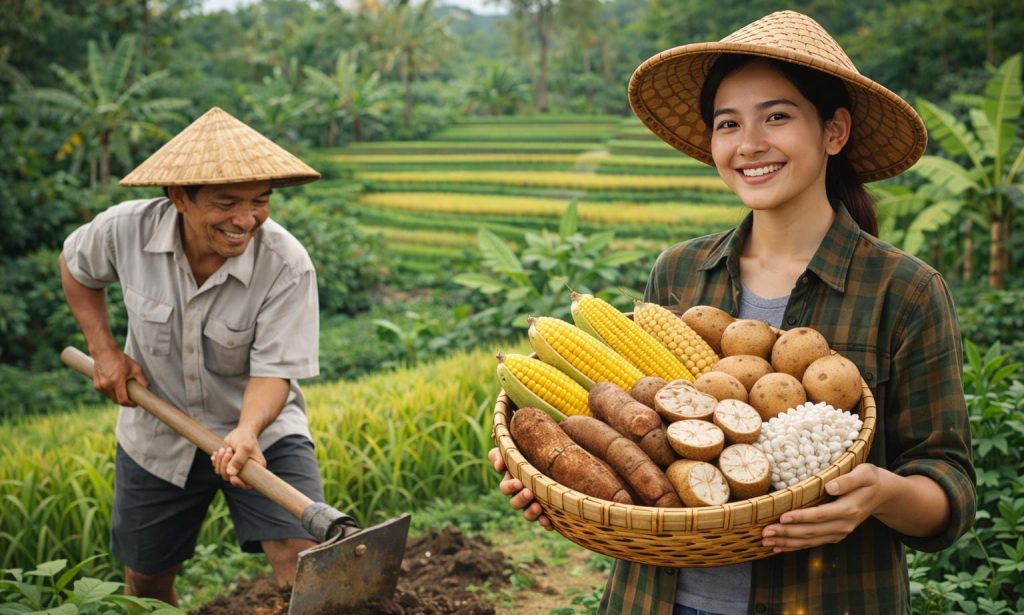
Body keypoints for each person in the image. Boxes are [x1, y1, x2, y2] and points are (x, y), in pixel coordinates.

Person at [488, 11, 976, 614]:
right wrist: (553, 477)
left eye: (777, 116)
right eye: (728, 123)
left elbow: (948, 487)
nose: (749, 144)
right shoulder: (679, 272)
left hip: (827, 595)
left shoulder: (904, 290)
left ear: (834, 131)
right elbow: (630, 433)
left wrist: (879, 494)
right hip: (656, 596)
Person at [59, 107, 325, 606]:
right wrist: (104, 350)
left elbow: (274, 373)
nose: (245, 219)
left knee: (303, 556)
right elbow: (75, 267)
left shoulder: (286, 265)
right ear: (179, 197)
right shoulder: (124, 232)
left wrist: (246, 432)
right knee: (147, 581)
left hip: (260, 431)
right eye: (227, 202)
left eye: (259, 201)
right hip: (156, 436)